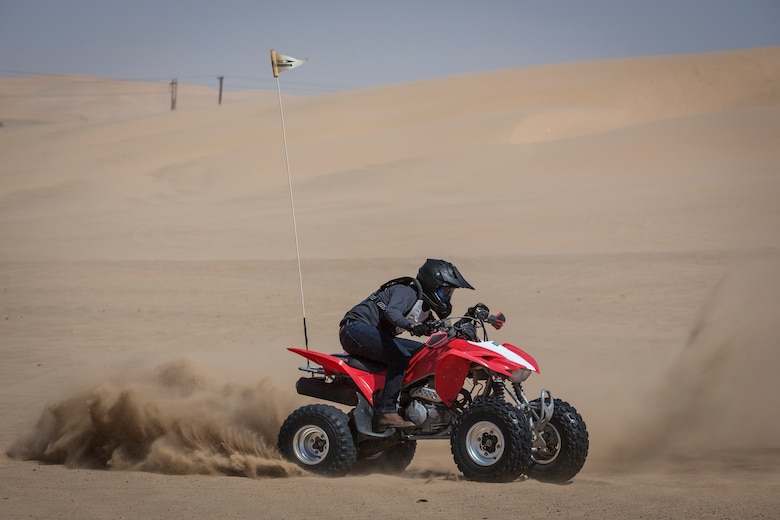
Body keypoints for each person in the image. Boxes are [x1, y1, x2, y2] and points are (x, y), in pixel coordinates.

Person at [338, 259, 474, 429]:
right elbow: (391, 312)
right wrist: (411, 326)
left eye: (449, 294)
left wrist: (468, 320)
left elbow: (441, 330)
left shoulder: (423, 309)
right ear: (432, 286)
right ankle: (387, 412)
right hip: (354, 329)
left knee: (423, 353)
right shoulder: (407, 292)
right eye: (445, 292)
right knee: (400, 355)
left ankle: (409, 402)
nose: (447, 298)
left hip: (375, 334)